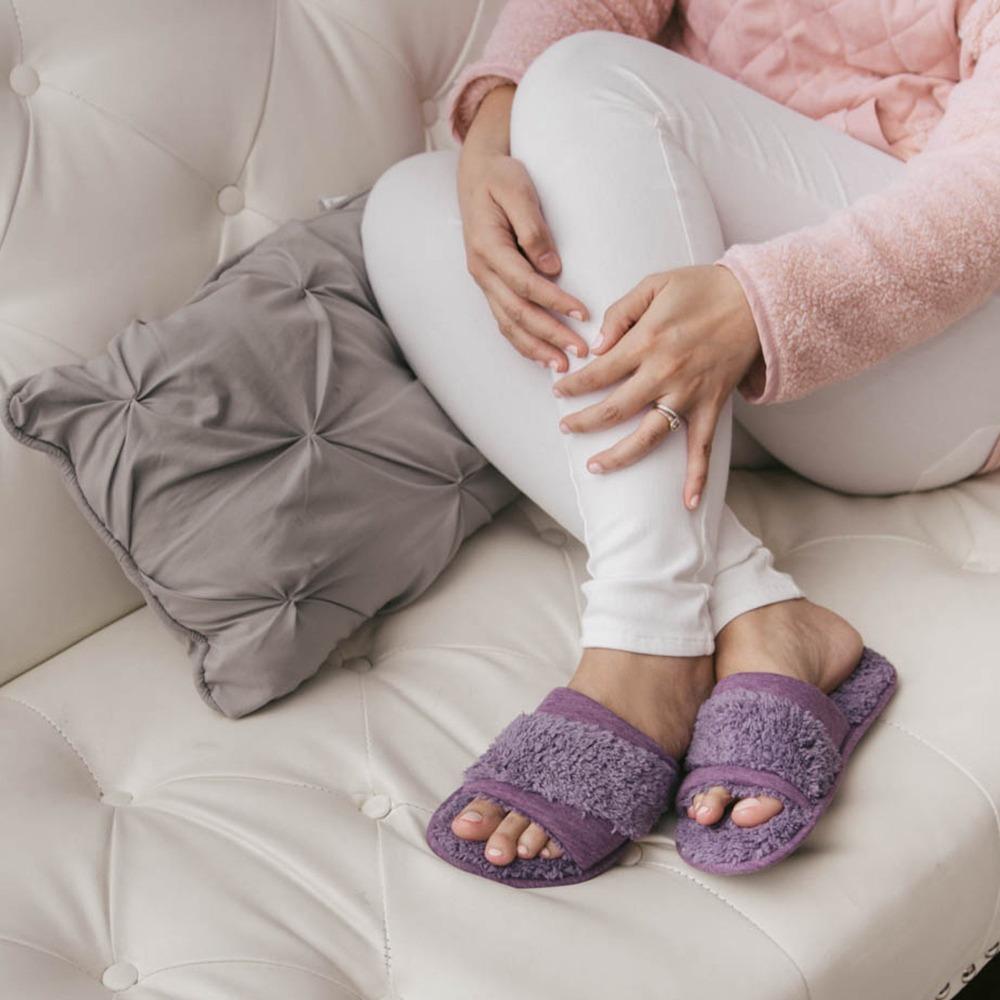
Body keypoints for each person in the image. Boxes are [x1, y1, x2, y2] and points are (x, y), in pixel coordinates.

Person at [360, 0, 1000, 880]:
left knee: (591, 74)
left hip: (937, 365)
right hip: (717, 378)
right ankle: (753, 606)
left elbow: (989, 188)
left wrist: (753, 303)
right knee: (411, 204)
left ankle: (645, 633)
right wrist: (489, 140)